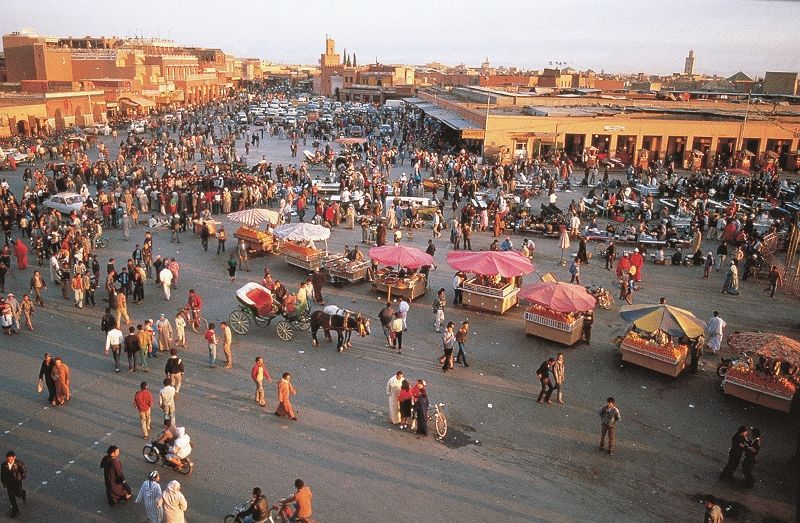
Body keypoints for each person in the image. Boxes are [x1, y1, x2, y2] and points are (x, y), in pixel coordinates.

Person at [1, 451, 26, 518]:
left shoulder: (19, 463)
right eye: (8, 459)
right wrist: (4, 482)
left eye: (11, 459)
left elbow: (23, 470)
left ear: (14, 458)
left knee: (18, 494)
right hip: (9, 483)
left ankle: (22, 493)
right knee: (11, 497)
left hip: (17, 482)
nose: (9, 461)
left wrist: (22, 478)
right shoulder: (4, 465)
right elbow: (2, 474)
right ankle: (15, 510)